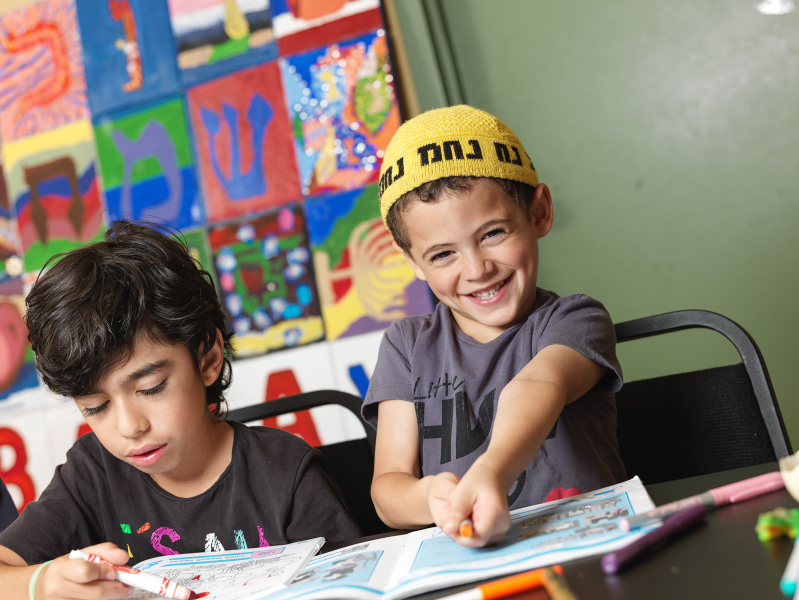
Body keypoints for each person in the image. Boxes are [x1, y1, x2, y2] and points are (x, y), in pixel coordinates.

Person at [0, 221, 360, 600]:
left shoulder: (285, 472)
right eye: (96, 406)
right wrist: (38, 583)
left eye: (150, 388)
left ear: (208, 359)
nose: (129, 427)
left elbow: (352, 585)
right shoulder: (92, 475)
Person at [363, 105, 627, 548]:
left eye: (493, 234)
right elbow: (388, 491)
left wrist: (489, 472)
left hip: (591, 551)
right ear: (412, 262)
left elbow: (538, 385)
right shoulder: (405, 346)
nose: (477, 269)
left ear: (539, 212)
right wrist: (430, 496)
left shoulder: (577, 320)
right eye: (443, 254)